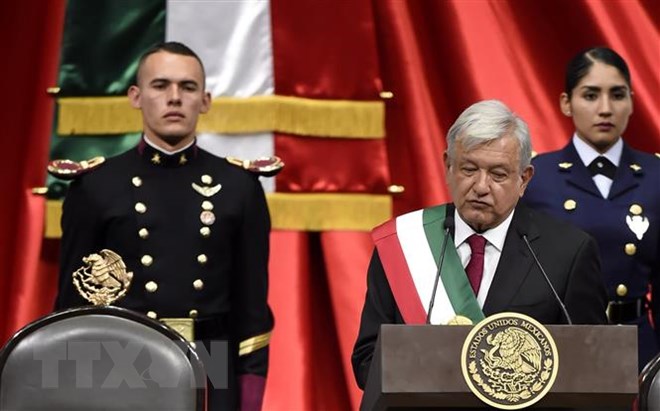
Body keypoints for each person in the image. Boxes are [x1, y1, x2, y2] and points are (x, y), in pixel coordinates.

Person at [53, 42, 273, 411]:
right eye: (160, 85)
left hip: (211, 359)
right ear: (136, 96)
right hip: (117, 363)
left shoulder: (239, 187)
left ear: (205, 100)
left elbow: (252, 313)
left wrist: (248, 401)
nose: (174, 97)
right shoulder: (95, 185)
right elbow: (72, 310)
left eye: (187, 87)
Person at [351, 99, 608, 392]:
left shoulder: (568, 253)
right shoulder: (403, 244)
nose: (481, 186)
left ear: (524, 179)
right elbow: (366, 362)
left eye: (498, 174)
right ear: (448, 166)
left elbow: (591, 366)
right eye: (469, 169)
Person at [523, 47, 660, 372]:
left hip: (638, 349)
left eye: (617, 95)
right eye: (590, 95)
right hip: (557, 348)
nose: (605, 108)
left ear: (631, 100)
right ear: (565, 103)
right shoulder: (535, 177)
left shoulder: (656, 177)